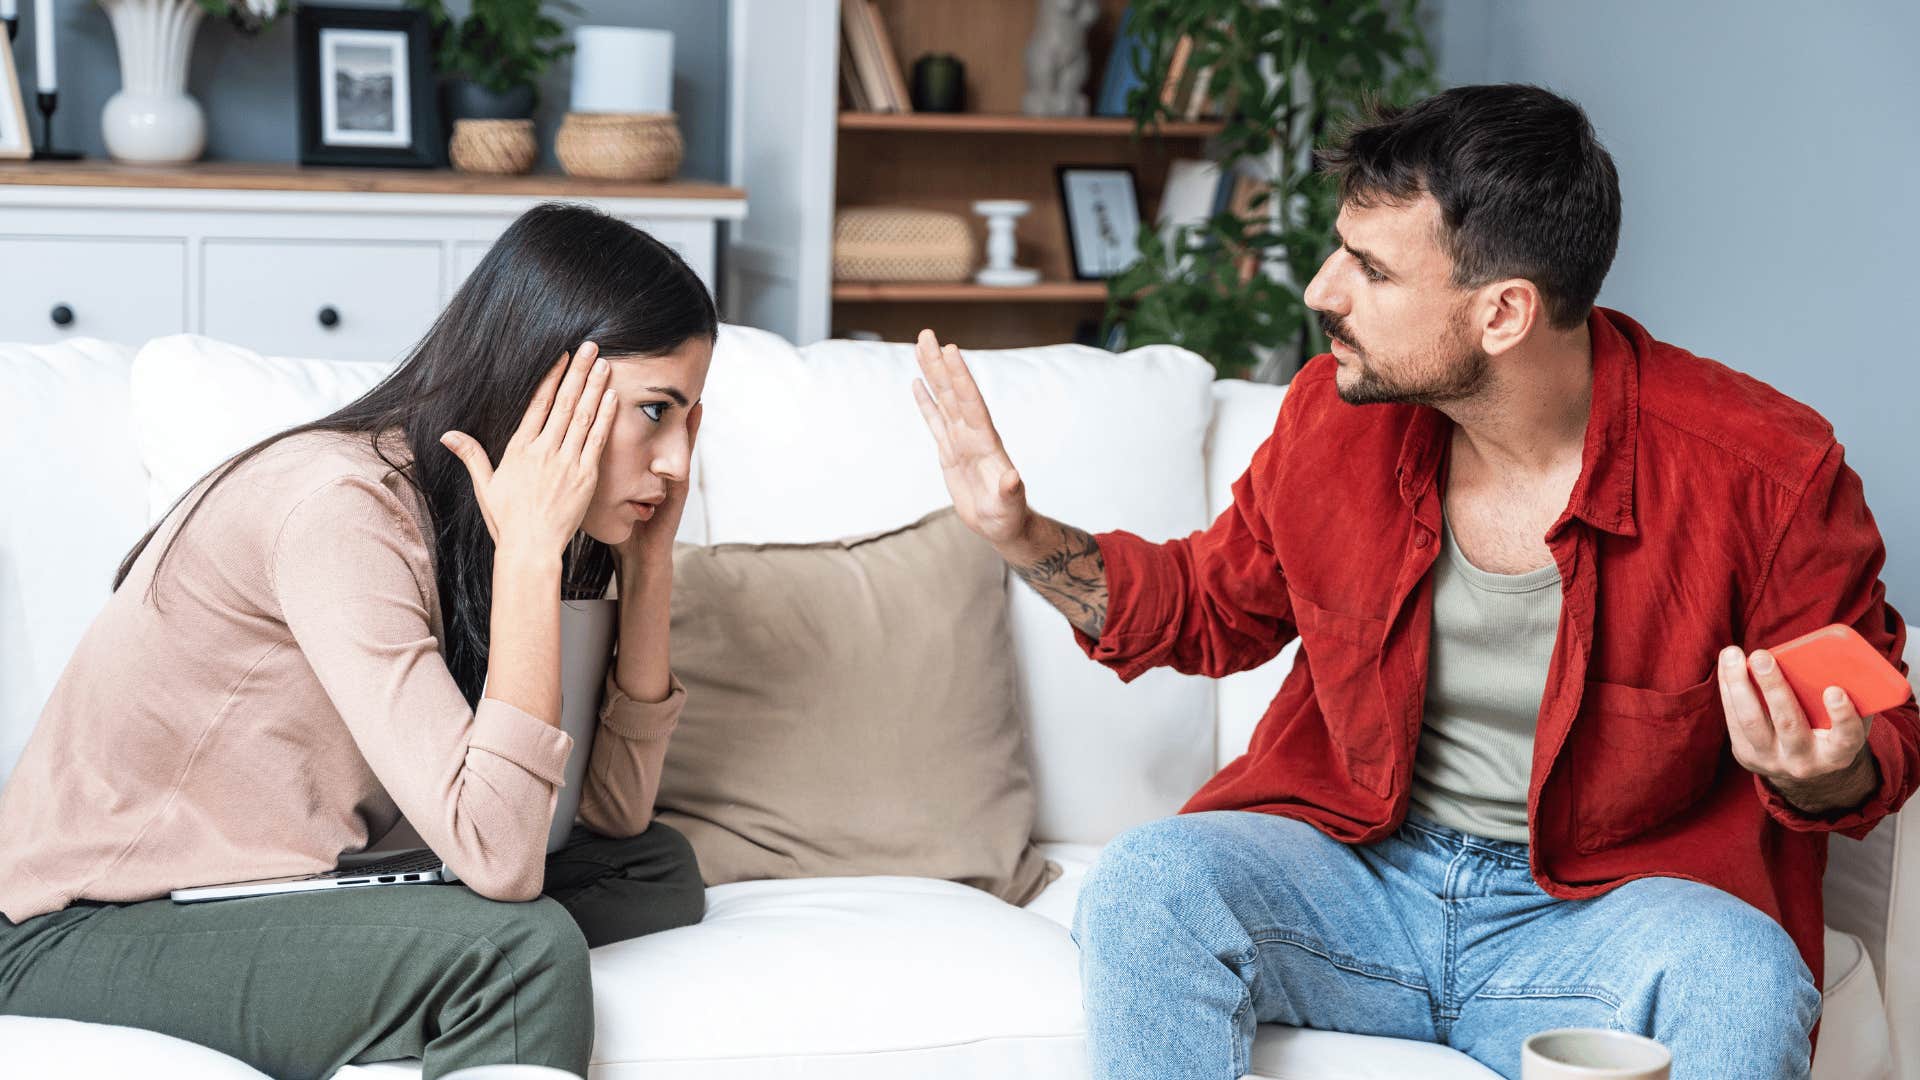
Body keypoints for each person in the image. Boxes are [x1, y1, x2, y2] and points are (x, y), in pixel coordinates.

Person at [910, 83, 1918, 1079]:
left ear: (1504, 314)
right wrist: (1021, 533)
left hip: (1601, 912)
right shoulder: (1332, 421)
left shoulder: (1765, 472)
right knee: (1148, 881)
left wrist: (1824, 767)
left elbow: (1877, 725)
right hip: (1359, 876)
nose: (1319, 291)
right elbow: (1208, 607)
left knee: (1744, 973)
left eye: (1370, 270)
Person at [0, 203, 714, 1079]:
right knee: (516, 950)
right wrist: (529, 555)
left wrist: (647, 574)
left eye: (689, 420)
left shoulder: (485, 521)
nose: (679, 460)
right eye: (655, 410)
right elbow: (501, 860)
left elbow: (609, 815)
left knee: (655, 865)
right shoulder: (342, 509)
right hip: (84, 922)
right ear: (544, 391)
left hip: (282, 883)